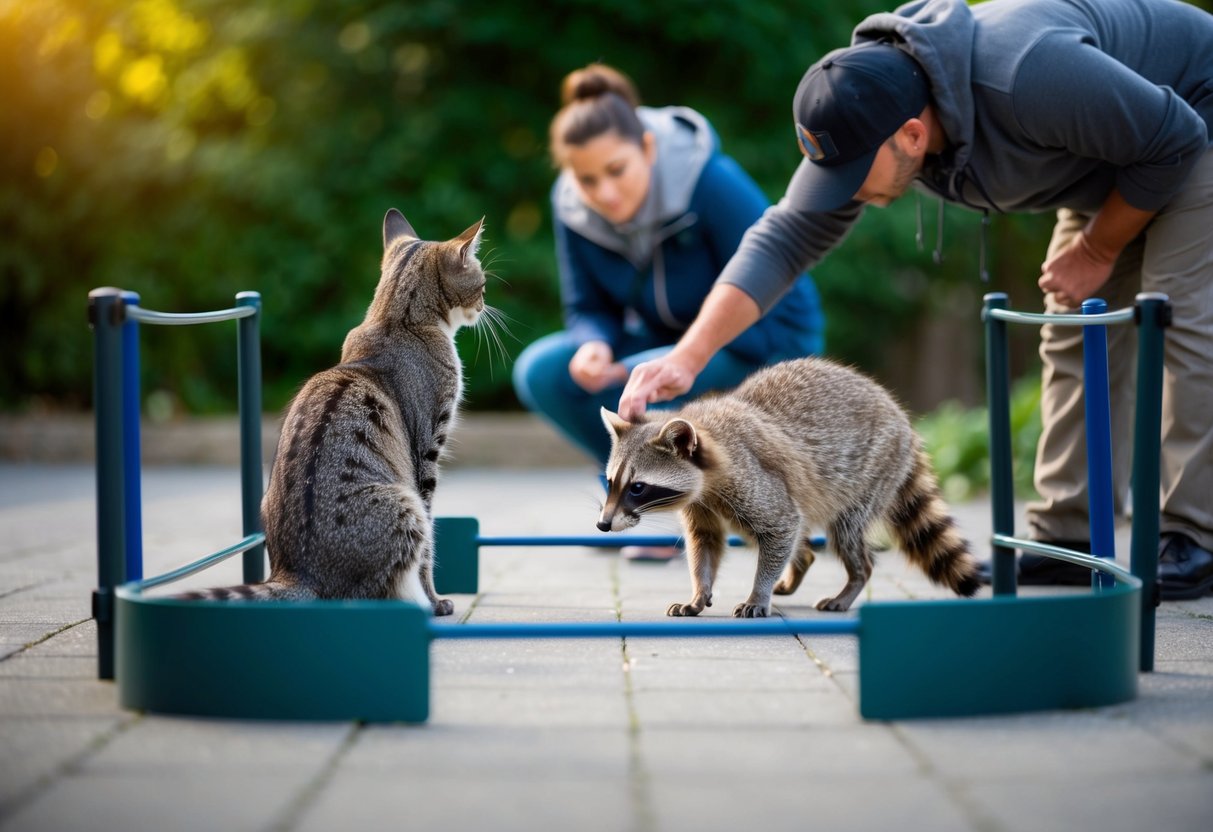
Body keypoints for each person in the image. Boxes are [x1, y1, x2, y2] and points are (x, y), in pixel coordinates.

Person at [617, 0, 1213, 597]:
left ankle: (1193, 537)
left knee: (1178, 315)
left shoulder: (1026, 74)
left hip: (1192, 121)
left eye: (854, 177)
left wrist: (1097, 250)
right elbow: (785, 237)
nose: (847, 194)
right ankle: (1069, 539)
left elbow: (1174, 137)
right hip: (1119, 156)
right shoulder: (864, 105)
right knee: (1075, 332)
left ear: (913, 134)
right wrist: (686, 358)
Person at [513, 63, 826, 558]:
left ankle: (682, 511)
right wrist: (593, 342)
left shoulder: (710, 181)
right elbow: (586, 305)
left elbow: (774, 281)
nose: (605, 193)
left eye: (617, 170)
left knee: (637, 383)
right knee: (543, 371)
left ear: (648, 149)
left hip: (761, 341)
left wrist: (677, 355)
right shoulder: (571, 208)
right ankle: (630, 496)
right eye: (587, 180)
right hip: (663, 342)